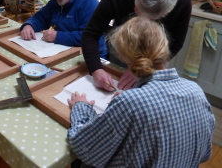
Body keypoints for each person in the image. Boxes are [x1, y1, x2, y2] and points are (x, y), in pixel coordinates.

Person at [68, 17, 215, 168]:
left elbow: (84, 146)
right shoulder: (196, 91)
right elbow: (204, 154)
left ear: (124, 57)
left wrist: (81, 107)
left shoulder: (130, 103)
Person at [82, 0, 192, 91]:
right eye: (140, 13)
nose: (145, 21)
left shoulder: (183, 2)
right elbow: (90, 34)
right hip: (123, 52)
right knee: (119, 88)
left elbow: (175, 44)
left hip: (155, 58)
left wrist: (142, 69)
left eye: (152, 18)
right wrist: (96, 69)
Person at [20, 0, 106, 52]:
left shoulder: (90, 3)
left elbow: (88, 37)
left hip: (90, 55)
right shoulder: (56, 2)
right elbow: (40, 17)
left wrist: (58, 36)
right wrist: (29, 25)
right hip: (64, 49)